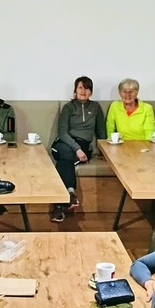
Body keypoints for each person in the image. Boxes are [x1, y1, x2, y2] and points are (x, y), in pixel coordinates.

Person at [50, 75, 107, 222]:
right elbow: (62, 132)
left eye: (87, 88)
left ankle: (63, 202)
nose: (83, 91)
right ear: (75, 90)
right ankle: (67, 196)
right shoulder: (68, 108)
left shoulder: (95, 107)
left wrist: (104, 152)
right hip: (64, 144)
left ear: (91, 92)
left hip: (83, 146)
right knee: (66, 155)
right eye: (80, 87)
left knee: (64, 162)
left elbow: (101, 131)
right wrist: (77, 149)